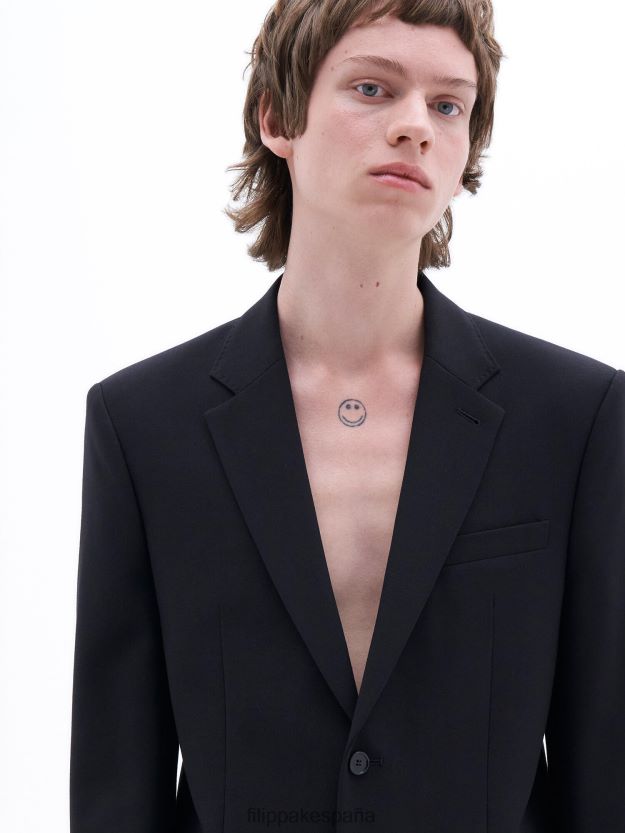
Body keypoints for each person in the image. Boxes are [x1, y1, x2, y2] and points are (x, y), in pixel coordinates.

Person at [70, 1, 625, 831]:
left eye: (448, 104)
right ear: (276, 118)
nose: (415, 126)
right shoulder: (143, 425)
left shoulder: (573, 417)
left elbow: (605, 773)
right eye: (372, 88)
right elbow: (117, 786)